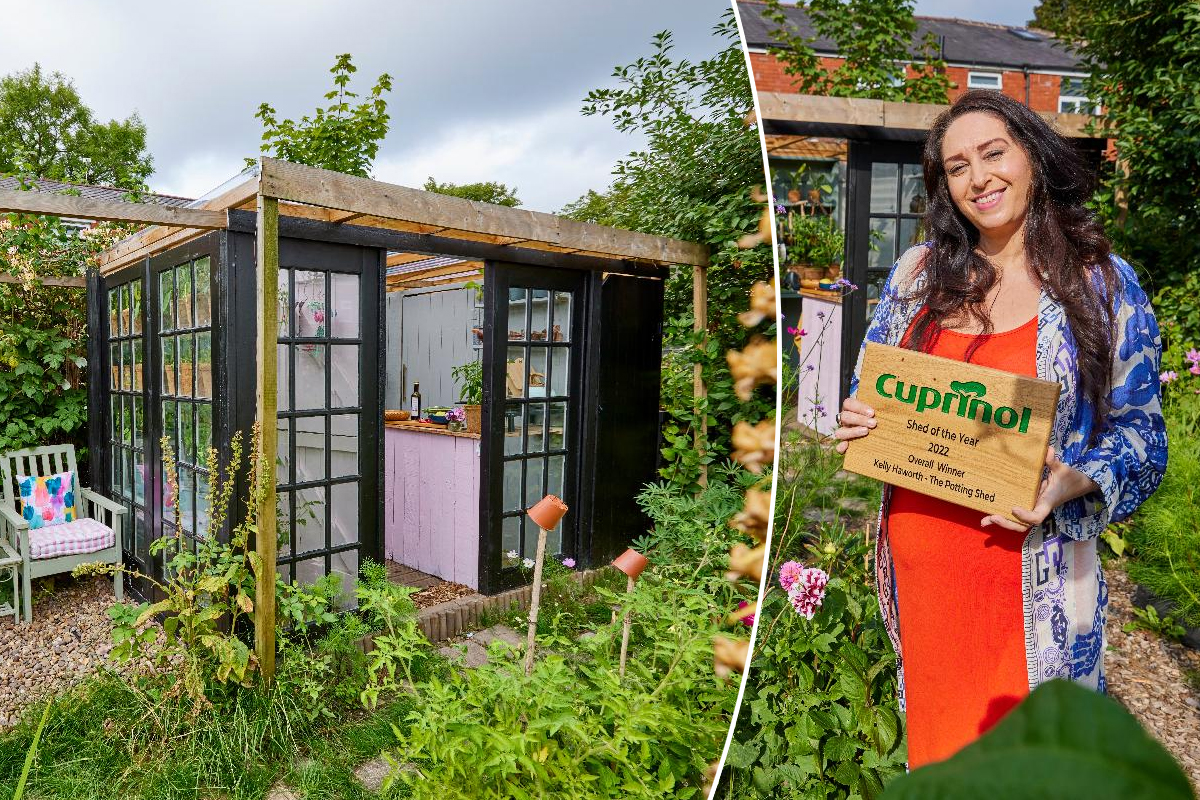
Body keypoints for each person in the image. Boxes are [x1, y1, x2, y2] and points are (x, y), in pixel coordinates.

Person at [833, 90, 1167, 768]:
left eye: (993, 154)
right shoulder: (917, 276)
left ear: (1034, 157)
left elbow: (1144, 436)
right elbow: (870, 387)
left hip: (1029, 588)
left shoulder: (1100, 284)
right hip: (926, 588)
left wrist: (1081, 478)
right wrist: (856, 417)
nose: (978, 178)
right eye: (957, 167)